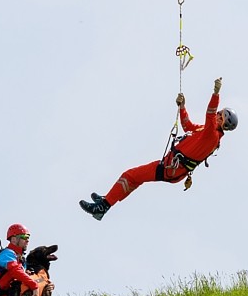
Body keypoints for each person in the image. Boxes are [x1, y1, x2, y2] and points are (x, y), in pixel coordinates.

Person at [79, 77, 238, 221]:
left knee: (130, 175)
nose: (217, 115)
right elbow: (187, 126)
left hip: (172, 168)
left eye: (221, 116)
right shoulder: (205, 130)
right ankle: (108, 200)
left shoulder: (212, 136)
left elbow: (209, 113)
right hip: (171, 166)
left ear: (225, 124)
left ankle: (104, 206)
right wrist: (182, 107)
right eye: (219, 113)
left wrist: (216, 93)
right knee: (135, 178)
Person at [0, 223, 54, 296]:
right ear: (14, 239)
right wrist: (34, 286)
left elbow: (28, 277)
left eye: (28, 237)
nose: (27, 240)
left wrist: (46, 283)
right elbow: (15, 271)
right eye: (24, 237)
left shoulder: (20, 258)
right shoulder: (7, 253)